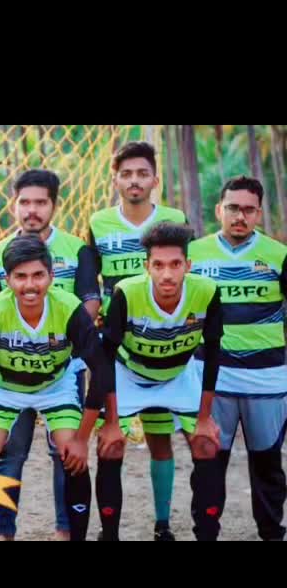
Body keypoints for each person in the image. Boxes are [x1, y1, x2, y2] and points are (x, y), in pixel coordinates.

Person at [0, 236, 120, 543]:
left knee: (72, 455)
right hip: (4, 387)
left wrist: (82, 439)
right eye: (20, 276)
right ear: (7, 279)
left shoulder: (69, 308)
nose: (30, 285)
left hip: (55, 386)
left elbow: (101, 371)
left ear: (51, 276)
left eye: (38, 275)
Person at [0, 170, 101, 541]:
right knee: (10, 453)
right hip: (11, 369)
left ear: (54, 205)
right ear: (14, 205)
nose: (32, 210)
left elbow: (90, 301)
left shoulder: (78, 249)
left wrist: (61, 338)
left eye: (41, 202)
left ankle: (64, 530)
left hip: (63, 367)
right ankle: (5, 532)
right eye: (25, 202)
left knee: (64, 452)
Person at [96, 222, 224, 542]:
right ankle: (109, 535)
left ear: (188, 265)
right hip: (130, 375)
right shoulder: (127, 292)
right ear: (147, 266)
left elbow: (213, 353)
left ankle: (195, 532)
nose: (167, 274)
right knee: (110, 447)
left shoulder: (206, 291)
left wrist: (205, 418)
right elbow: (105, 357)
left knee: (206, 445)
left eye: (175, 264)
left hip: (178, 375)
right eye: (158, 265)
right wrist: (110, 421)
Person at [90, 141, 187, 542]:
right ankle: (108, 530)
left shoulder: (174, 219)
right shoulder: (98, 223)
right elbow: (89, 279)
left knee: (161, 440)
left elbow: (185, 276)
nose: (134, 181)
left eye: (142, 173)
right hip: (117, 349)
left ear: (154, 180)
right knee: (109, 441)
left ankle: (163, 524)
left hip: (162, 345)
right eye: (127, 174)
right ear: (115, 180)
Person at [190, 177, 287, 541]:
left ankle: (271, 533)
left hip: (268, 378)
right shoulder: (193, 254)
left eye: (248, 209)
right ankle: (206, 533)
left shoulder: (279, 255)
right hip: (212, 379)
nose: (240, 216)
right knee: (209, 463)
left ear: (258, 213)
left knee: (267, 464)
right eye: (233, 208)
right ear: (220, 210)